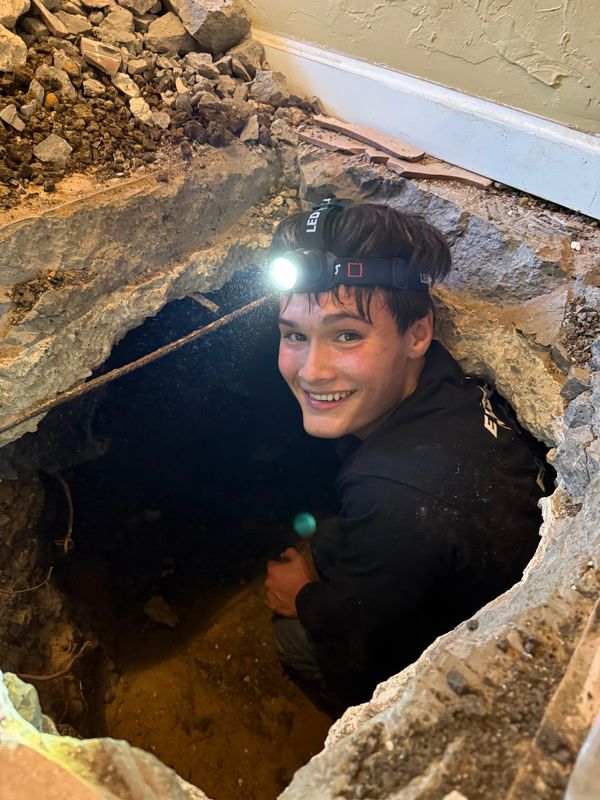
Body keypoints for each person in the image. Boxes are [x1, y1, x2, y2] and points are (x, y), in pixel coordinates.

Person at [264, 199, 547, 711]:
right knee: (330, 540)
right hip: (441, 551)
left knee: (292, 638)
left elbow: (363, 642)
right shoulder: (441, 382)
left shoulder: (394, 501)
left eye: (346, 335)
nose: (311, 371)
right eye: (295, 335)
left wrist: (301, 595)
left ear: (418, 332)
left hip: (447, 654)